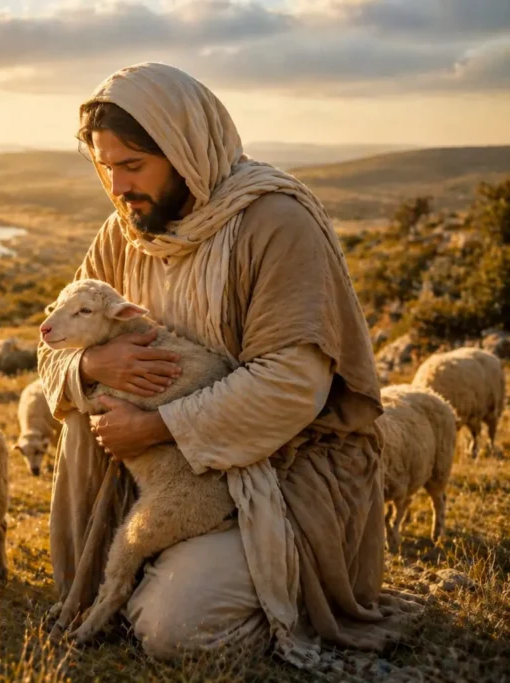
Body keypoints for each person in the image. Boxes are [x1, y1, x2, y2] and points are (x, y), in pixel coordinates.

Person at [37, 62, 421, 666]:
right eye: (106, 167)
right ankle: (167, 554)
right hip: (163, 475)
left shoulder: (274, 224)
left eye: (132, 166)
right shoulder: (126, 232)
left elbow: (293, 383)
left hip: (279, 471)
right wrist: (94, 365)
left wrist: (157, 426)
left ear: (185, 150)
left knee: (171, 630)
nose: (117, 187)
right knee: (81, 408)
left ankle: (253, 581)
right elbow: (52, 343)